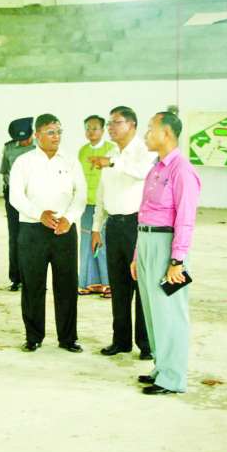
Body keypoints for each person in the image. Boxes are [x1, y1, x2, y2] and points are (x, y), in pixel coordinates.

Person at [130, 108, 201, 395]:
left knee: (170, 312)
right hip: (147, 242)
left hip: (166, 246)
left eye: (150, 129)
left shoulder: (181, 169)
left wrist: (177, 261)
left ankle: (173, 378)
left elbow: (185, 218)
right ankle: (161, 367)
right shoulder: (156, 168)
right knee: (153, 311)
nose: (146, 135)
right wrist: (137, 254)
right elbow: (145, 213)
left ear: (167, 133)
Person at [10, 114, 87, 353]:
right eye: (51, 132)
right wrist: (39, 214)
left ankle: (68, 338)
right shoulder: (24, 162)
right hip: (32, 230)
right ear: (37, 135)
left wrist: (69, 218)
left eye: (59, 132)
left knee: (67, 285)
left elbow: (81, 194)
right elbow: (15, 197)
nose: (56, 137)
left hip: (64, 229)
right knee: (33, 285)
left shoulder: (71, 162)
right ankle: (33, 337)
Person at [90, 106, 154, 360]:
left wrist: (113, 162)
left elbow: (141, 173)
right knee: (118, 286)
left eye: (116, 122)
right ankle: (121, 340)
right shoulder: (111, 154)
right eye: (109, 123)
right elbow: (101, 194)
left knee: (141, 285)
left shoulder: (145, 151)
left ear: (132, 125)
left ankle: (146, 344)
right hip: (114, 226)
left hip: (137, 225)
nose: (111, 127)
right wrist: (96, 227)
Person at [77, 115, 115, 296]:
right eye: (88, 128)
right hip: (86, 203)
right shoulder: (82, 151)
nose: (91, 132)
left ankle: (108, 283)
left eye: (95, 128)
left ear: (103, 130)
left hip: (104, 204)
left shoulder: (111, 150)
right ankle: (89, 282)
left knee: (102, 242)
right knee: (86, 242)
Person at [0, 117, 36, 292]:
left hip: (35, 196)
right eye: (20, 139)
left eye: (26, 138)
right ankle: (16, 278)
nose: (24, 142)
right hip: (13, 196)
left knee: (34, 236)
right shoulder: (8, 148)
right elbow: (4, 171)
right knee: (15, 236)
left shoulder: (39, 147)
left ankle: (34, 278)